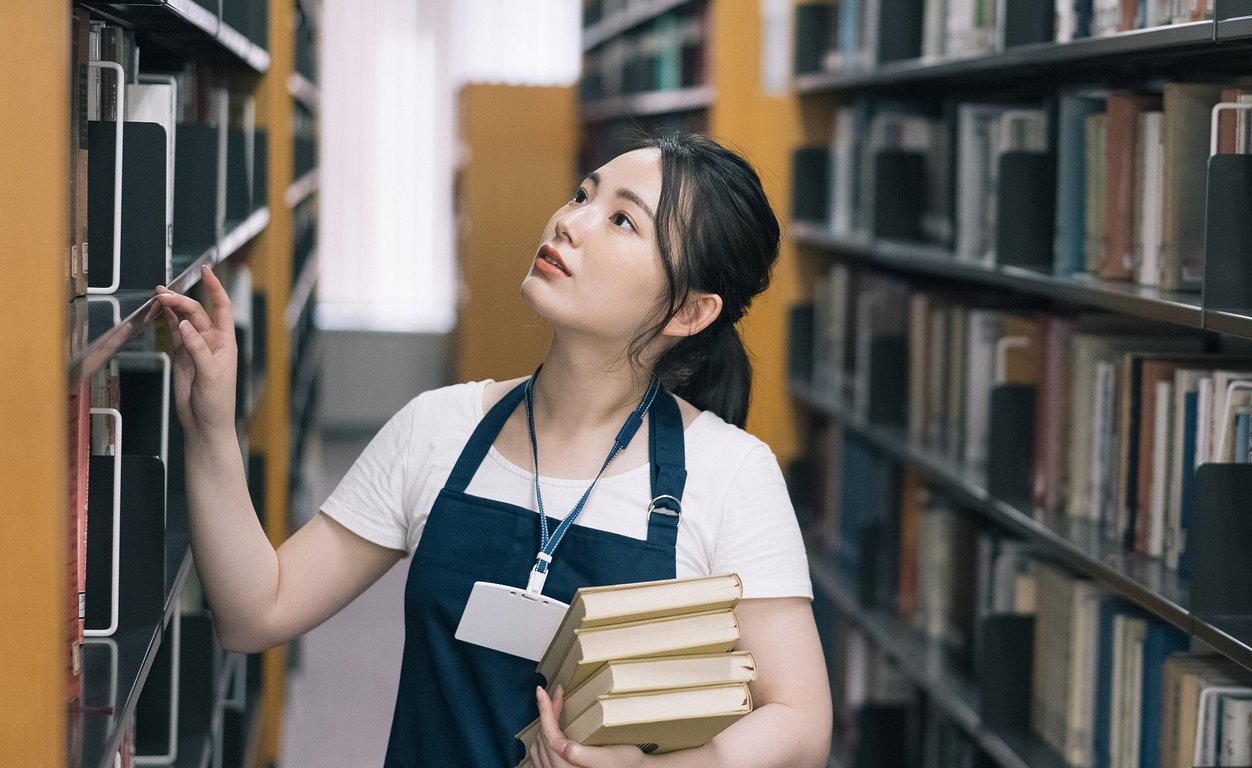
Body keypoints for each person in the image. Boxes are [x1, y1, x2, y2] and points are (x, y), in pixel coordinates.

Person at [153, 132, 833, 767]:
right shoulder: (437, 428)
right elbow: (255, 612)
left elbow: (801, 720)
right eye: (583, 194)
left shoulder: (731, 474)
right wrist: (211, 427)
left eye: (622, 221)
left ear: (688, 312)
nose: (570, 221)